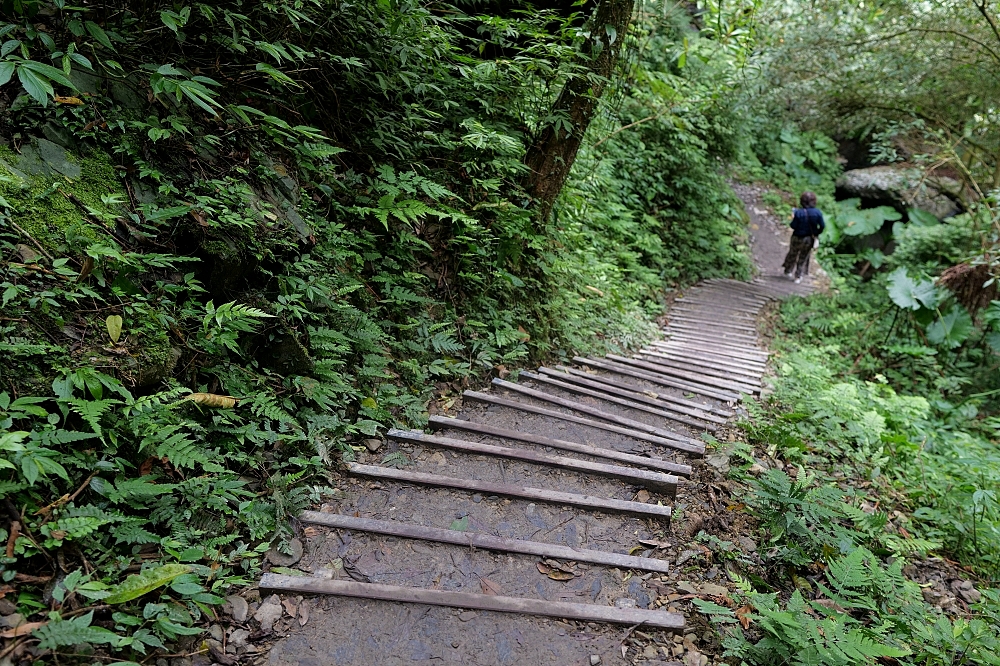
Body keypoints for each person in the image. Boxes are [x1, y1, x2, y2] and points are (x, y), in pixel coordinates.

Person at [782, 191, 825, 283]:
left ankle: (788, 270)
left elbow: (793, 226)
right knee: (803, 256)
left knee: (793, 253)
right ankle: (798, 276)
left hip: (797, 237)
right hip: (809, 238)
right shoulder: (817, 213)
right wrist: (816, 233)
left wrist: (794, 218)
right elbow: (822, 225)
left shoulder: (799, 213)